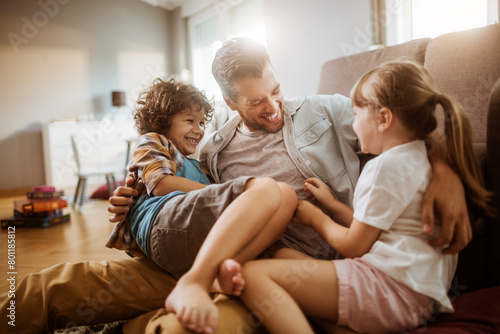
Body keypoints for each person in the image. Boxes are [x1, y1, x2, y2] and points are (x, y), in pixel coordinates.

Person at [0, 38, 471, 334]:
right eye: (256, 101)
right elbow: (189, 202)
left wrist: (446, 169)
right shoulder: (212, 148)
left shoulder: (327, 110)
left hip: (306, 273)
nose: (273, 108)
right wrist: (137, 199)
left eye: (276, 91)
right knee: (75, 285)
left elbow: (411, 122)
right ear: (228, 101)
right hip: (232, 253)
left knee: (199, 326)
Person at [237, 61, 493, 334]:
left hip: (389, 290)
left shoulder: (384, 166)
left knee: (251, 275)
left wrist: (315, 219)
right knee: (285, 257)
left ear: (383, 119)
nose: (354, 124)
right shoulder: (420, 156)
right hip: (421, 298)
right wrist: (333, 206)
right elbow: (371, 227)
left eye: (356, 114)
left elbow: (355, 245)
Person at [108, 78, 298, 333]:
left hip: (189, 238)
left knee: (285, 196)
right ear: (161, 121)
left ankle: (215, 277)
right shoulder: (153, 141)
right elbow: (162, 184)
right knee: (263, 189)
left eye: (201, 123)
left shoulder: (198, 166)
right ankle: (197, 282)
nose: (198, 130)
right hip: (161, 220)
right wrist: (228, 194)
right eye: (189, 121)